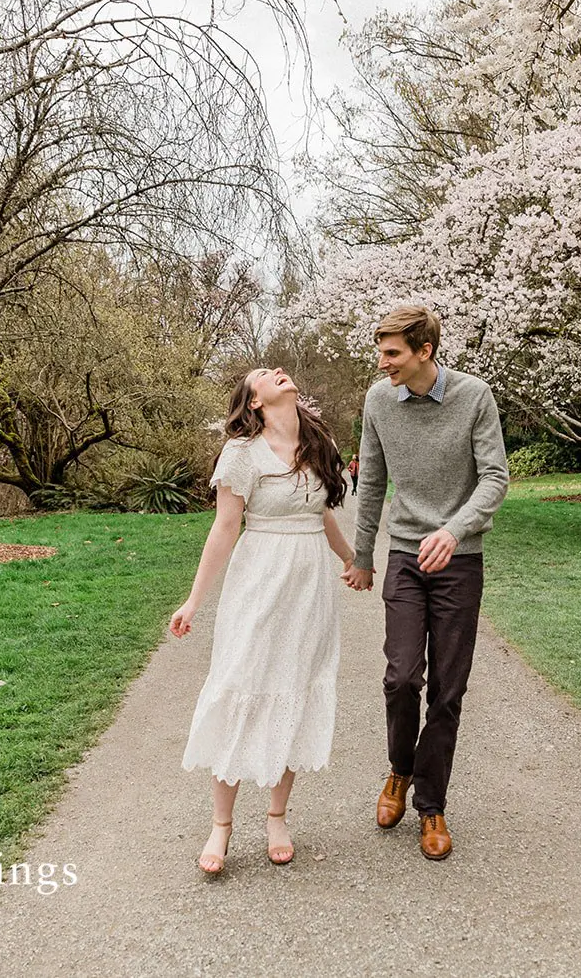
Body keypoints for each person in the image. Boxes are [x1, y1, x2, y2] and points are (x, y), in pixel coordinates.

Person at [171, 367, 355, 876]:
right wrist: (192, 602)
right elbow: (224, 529)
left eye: (279, 370)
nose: (278, 372)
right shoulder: (242, 453)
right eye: (264, 375)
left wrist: (352, 559)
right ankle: (221, 826)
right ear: (254, 401)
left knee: (293, 690)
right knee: (240, 687)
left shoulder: (319, 444)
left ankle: (277, 817)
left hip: (307, 590)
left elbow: (321, 516)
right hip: (257, 583)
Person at [342, 306, 508, 861]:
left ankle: (432, 804)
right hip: (406, 558)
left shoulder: (474, 397)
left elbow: (495, 478)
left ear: (424, 352)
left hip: (459, 561)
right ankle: (400, 770)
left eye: (392, 352)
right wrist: (363, 554)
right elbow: (371, 482)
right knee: (401, 676)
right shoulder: (377, 401)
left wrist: (456, 530)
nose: (382, 362)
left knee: (448, 690)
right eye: (381, 351)